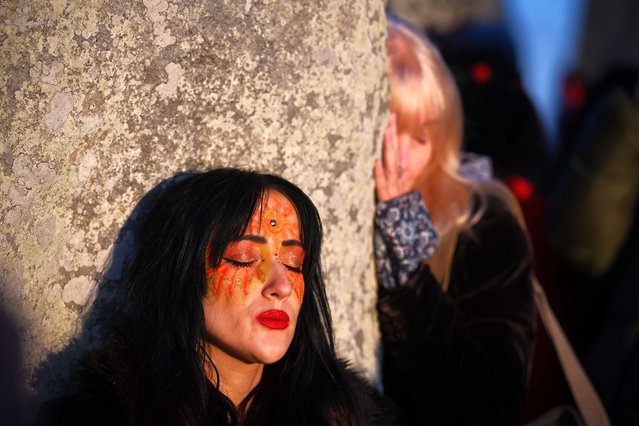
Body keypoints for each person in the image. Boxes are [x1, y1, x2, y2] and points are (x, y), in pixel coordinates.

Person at [37, 168, 396, 426]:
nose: (281, 285)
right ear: (182, 273)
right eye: (243, 258)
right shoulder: (95, 415)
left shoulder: (349, 415)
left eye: (294, 263)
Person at [373, 17, 535, 425]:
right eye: (392, 132)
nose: (403, 158)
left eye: (420, 137)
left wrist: (408, 263)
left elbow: (492, 408)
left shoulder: (483, 223)